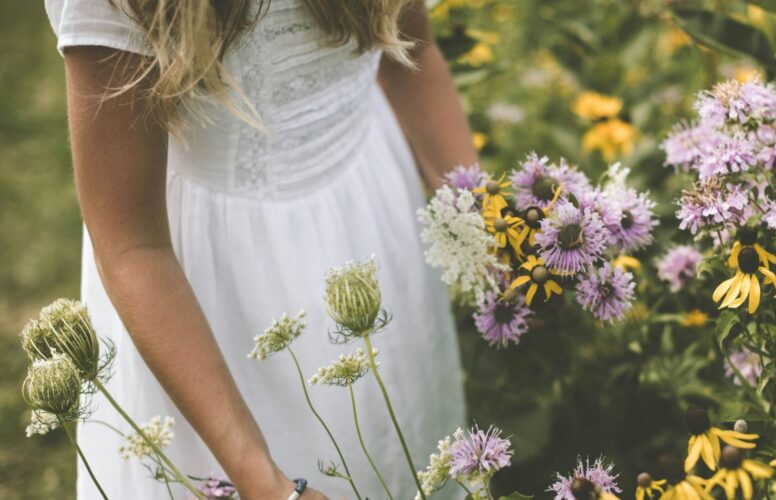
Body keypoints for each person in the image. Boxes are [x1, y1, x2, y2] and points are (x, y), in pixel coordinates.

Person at [43, 0, 473, 497]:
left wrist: (490, 230)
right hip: (210, 291)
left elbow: (411, 55)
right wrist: (266, 483)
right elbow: (131, 244)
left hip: (375, 215)